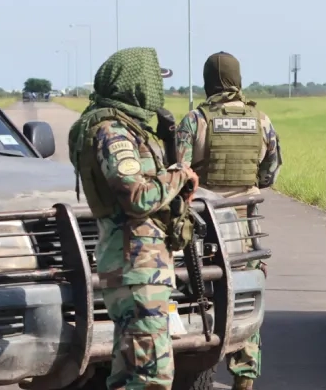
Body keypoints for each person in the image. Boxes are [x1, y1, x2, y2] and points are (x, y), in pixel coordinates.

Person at [67, 47, 200, 390]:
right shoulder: (114, 132)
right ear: (137, 86)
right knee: (151, 378)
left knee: (129, 376)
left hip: (140, 266)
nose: (160, 90)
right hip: (136, 265)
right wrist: (179, 176)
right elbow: (137, 196)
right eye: (156, 82)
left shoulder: (127, 127)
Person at [174, 51, 281, 390]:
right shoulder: (260, 119)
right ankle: (245, 376)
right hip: (246, 226)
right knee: (246, 296)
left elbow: (178, 173)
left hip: (205, 227)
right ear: (237, 80)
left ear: (208, 82)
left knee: (197, 294)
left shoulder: (195, 120)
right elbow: (270, 173)